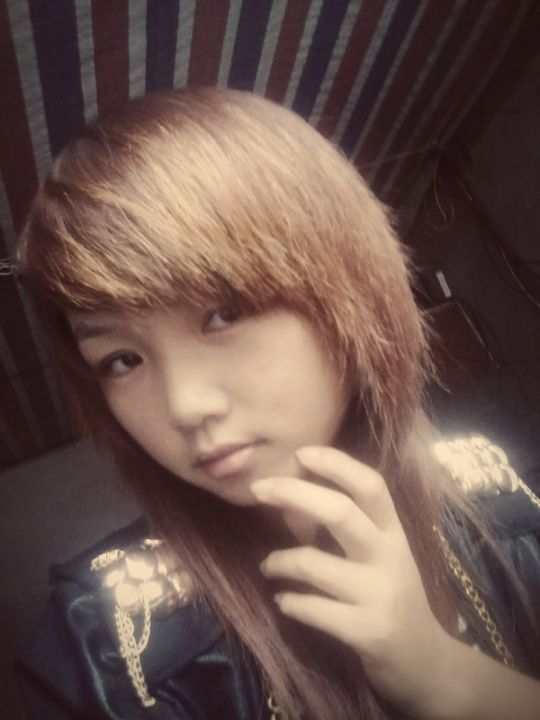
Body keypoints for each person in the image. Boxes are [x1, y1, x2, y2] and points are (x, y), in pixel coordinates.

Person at [15, 87, 540, 719]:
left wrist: (445, 675)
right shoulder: (110, 653)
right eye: (122, 360)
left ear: (350, 287)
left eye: (223, 314)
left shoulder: (497, 501)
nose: (185, 405)